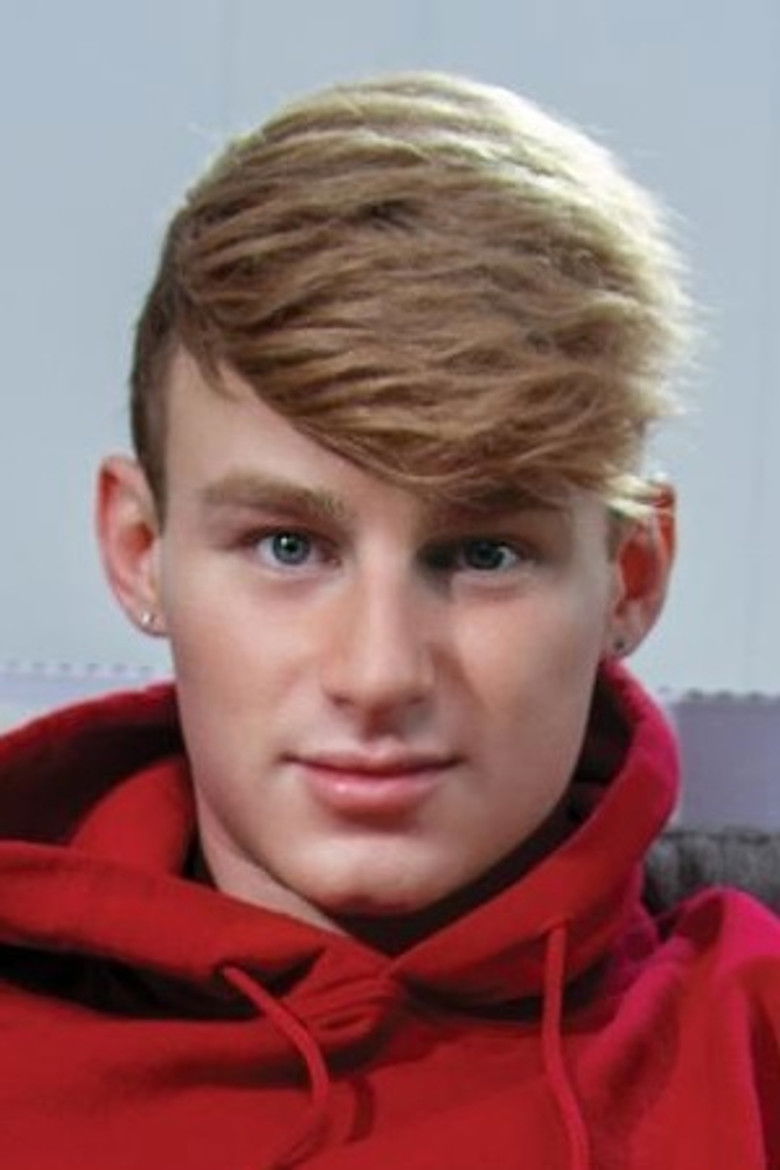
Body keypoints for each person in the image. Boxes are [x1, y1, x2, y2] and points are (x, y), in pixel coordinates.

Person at [0, 71, 777, 1170]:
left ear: (632, 577)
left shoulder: (754, 1043)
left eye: (483, 554)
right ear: (140, 551)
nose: (377, 674)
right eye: (288, 547)